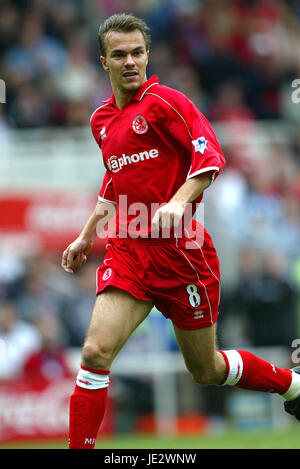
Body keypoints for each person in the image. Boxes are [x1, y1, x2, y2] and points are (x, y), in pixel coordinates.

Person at [61, 13, 300, 450]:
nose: (130, 61)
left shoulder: (166, 102)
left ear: (148, 55)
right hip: (129, 249)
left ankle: (292, 385)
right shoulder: (101, 121)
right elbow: (115, 180)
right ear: (103, 62)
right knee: (95, 353)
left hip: (183, 252)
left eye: (137, 52)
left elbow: (210, 155)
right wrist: (86, 234)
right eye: (120, 54)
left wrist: (178, 200)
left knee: (204, 369)